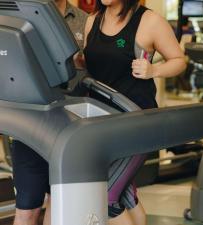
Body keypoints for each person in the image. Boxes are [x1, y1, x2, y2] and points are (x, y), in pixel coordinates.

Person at [82, 0, 186, 224]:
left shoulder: (149, 21)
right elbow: (90, 65)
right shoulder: (93, 20)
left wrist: (154, 70)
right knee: (124, 195)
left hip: (136, 124)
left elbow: (179, 60)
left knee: (104, 198)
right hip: (101, 124)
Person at [11, 1, 88, 225]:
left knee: (60, 205)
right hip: (31, 126)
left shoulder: (85, 20)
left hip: (70, 128)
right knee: (27, 209)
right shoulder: (20, 15)